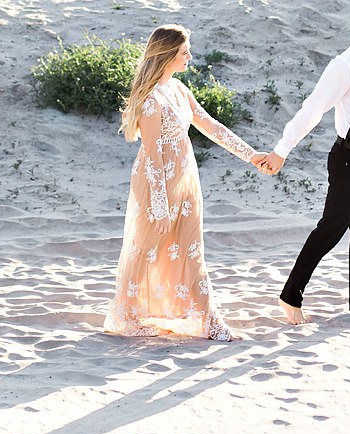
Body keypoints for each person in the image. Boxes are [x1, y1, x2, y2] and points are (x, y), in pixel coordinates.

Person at [104, 25, 269, 341]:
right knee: (146, 248)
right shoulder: (151, 101)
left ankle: (210, 321)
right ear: (167, 55)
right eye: (184, 52)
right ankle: (127, 316)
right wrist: (160, 205)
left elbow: (211, 126)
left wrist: (251, 155)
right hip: (157, 185)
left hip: (184, 180)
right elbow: (153, 156)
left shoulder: (178, 89)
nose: (189, 57)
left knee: (192, 250)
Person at [254, 0, 350, 324]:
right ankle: (290, 296)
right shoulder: (345, 65)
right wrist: (281, 150)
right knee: (330, 230)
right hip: (348, 159)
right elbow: (313, 109)